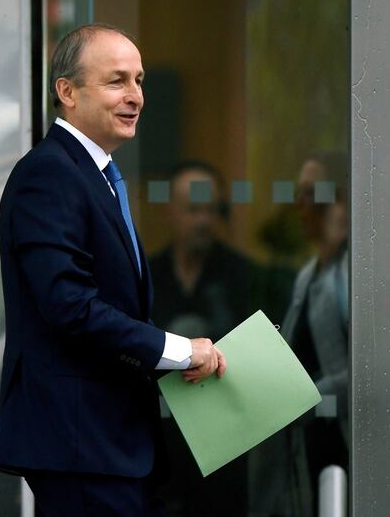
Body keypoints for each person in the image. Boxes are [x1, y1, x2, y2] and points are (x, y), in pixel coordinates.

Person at [0, 23, 227, 515]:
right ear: (67, 92)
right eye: (117, 81)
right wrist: (178, 351)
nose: (135, 95)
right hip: (80, 445)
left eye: (139, 81)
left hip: (107, 445)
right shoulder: (50, 175)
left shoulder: (95, 176)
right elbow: (70, 307)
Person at [149, 162, 294, 516]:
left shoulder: (247, 278)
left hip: (227, 456)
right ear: (170, 211)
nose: (203, 221)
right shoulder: (145, 278)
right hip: (157, 451)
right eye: (192, 209)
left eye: (211, 210)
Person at [278, 151, 351, 516]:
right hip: (310, 446)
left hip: (351, 444)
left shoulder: (354, 270)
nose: (301, 204)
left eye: (312, 192)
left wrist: (310, 396)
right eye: (299, 193)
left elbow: (373, 363)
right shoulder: (308, 275)